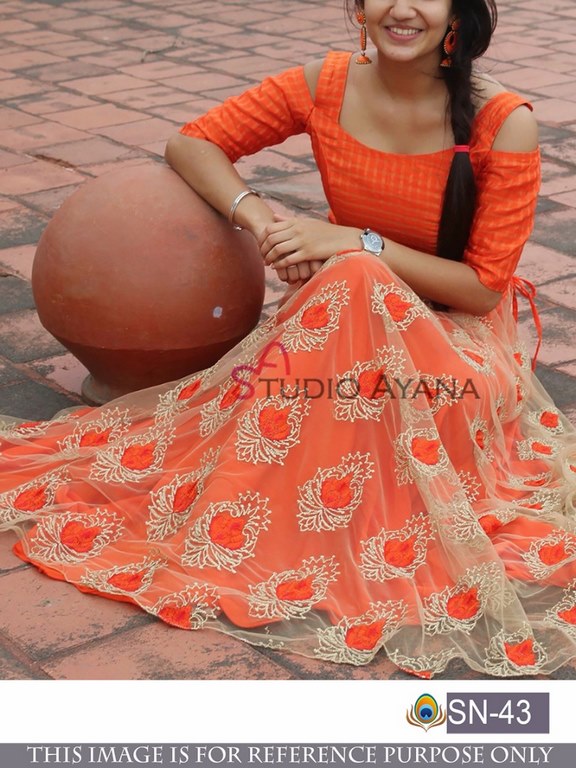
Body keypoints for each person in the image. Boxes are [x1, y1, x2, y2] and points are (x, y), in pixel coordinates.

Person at [1, 0, 576, 679]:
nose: (402, 7)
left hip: (457, 352)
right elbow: (193, 142)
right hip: (342, 328)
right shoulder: (324, 85)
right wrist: (262, 219)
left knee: (355, 275)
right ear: (358, 7)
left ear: (457, 12)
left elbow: (482, 289)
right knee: (349, 282)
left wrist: (354, 245)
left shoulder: (502, 123)